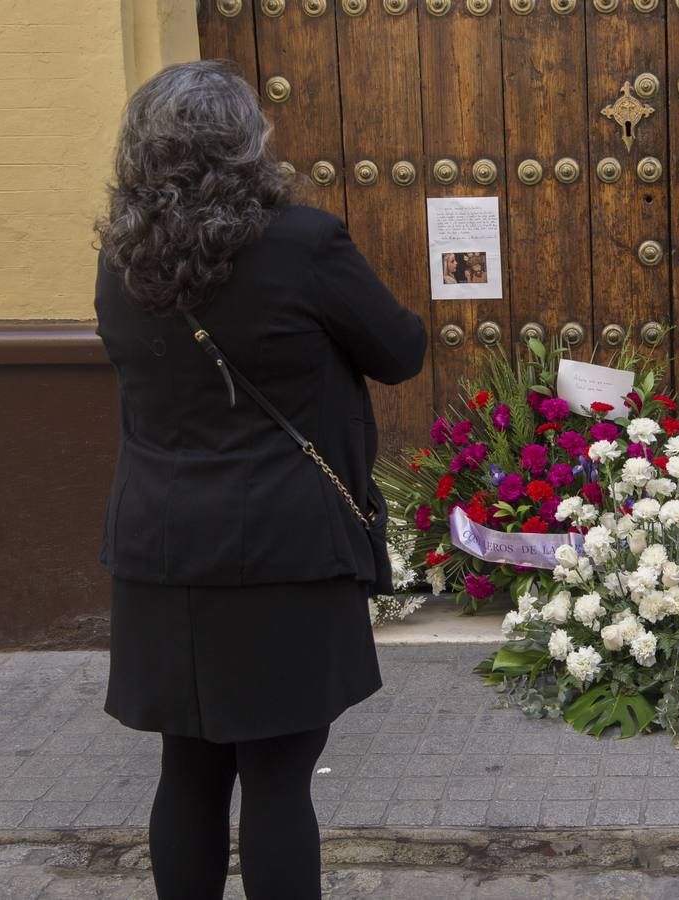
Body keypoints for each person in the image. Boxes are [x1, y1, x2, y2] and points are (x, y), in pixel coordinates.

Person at [93, 60, 426, 900]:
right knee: (278, 780)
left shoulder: (120, 260)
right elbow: (399, 351)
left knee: (189, 770)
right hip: (282, 550)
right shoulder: (301, 243)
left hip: (161, 548)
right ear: (246, 145)